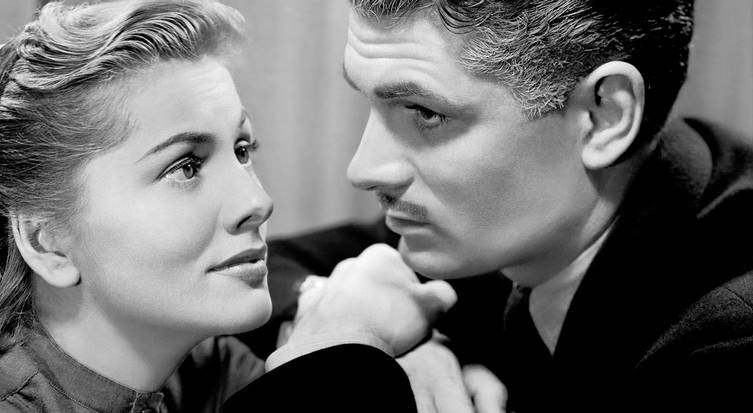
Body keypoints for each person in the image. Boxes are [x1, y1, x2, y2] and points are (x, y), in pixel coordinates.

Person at [0, 1, 456, 412]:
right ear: (50, 242)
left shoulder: (207, 365)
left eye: (243, 150)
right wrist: (344, 347)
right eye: (185, 166)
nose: (258, 202)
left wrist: (415, 358)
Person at [251, 0, 753, 411]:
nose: (362, 169)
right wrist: (386, 349)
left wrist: (344, 360)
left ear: (605, 117)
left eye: (425, 113)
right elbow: (271, 269)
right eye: (372, 103)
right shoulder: (516, 219)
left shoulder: (728, 347)